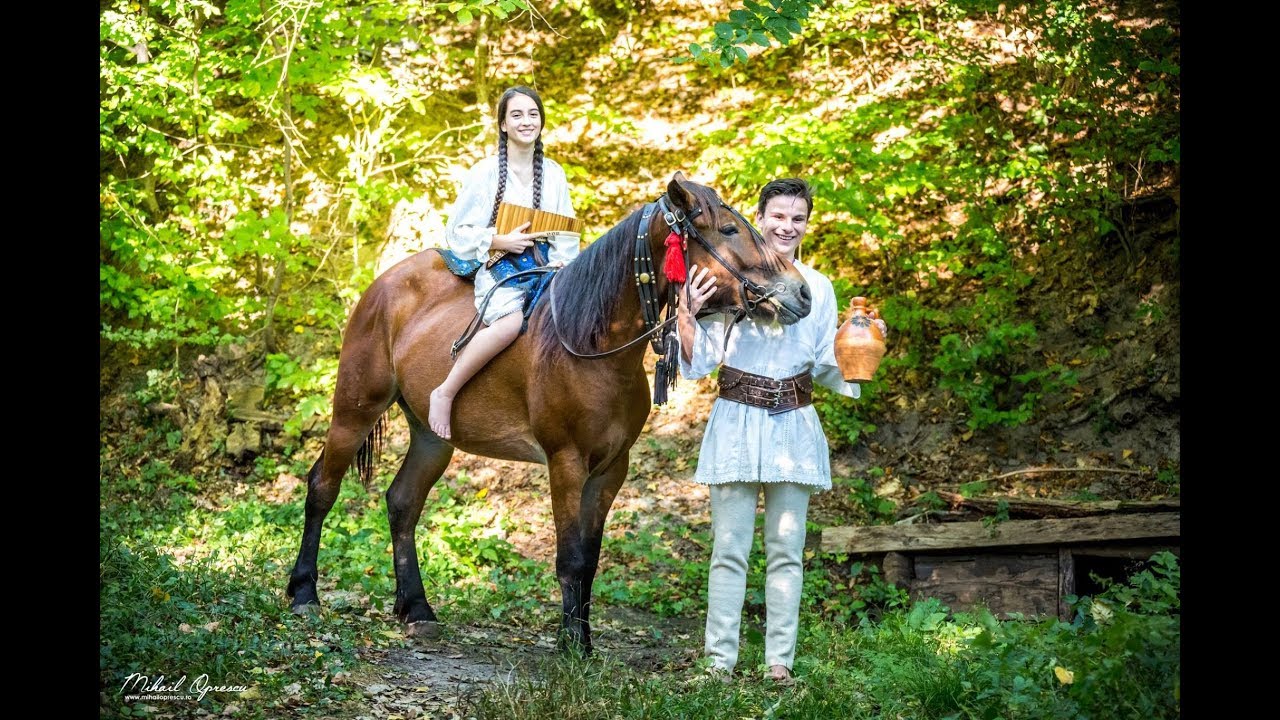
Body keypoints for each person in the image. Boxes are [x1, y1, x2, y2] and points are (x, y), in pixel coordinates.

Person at [677, 177, 886, 683]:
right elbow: (701, 361)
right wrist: (686, 313)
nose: (787, 226)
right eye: (778, 216)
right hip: (736, 419)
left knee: (786, 552)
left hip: (793, 425)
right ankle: (719, 663)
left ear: (806, 225)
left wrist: (866, 347)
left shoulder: (819, 287)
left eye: (797, 218)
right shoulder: (729, 275)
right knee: (728, 551)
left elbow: (825, 364)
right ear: (761, 218)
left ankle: (778, 664)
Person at [429, 85, 578, 439]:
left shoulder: (554, 173)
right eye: (517, 115)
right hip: (502, 267)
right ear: (503, 125)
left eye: (533, 114)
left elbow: (566, 233)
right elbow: (457, 231)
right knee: (511, 324)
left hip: (545, 267)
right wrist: (499, 240)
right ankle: (445, 391)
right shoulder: (485, 173)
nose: (526, 121)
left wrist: (562, 265)